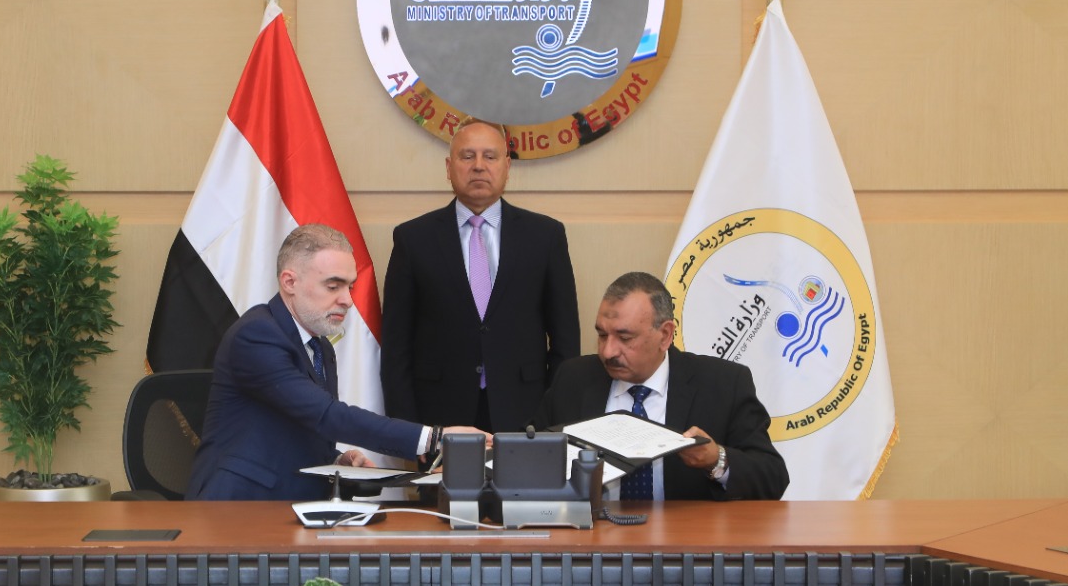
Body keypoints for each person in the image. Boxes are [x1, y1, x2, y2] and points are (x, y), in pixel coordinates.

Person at [187, 224, 481, 501]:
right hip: (238, 505)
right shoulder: (256, 335)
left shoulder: (321, 347)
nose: (348, 300)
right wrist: (433, 438)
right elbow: (325, 415)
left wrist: (336, 460)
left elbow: (304, 424)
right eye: (333, 286)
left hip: (296, 506)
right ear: (290, 282)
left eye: (350, 287)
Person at [382, 119, 581, 433]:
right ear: (449, 167)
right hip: (440, 414)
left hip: (526, 412)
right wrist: (408, 432)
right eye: (467, 156)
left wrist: (554, 420)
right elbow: (396, 346)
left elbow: (565, 341)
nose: (478, 166)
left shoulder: (545, 236)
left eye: (490, 156)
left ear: (507, 166)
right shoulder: (413, 239)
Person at [531, 271, 789, 500]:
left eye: (624, 337)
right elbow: (530, 454)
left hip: (686, 536)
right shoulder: (574, 379)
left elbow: (773, 477)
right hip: (595, 533)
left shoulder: (723, 383)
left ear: (665, 335)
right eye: (602, 335)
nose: (608, 351)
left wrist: (716, 459)